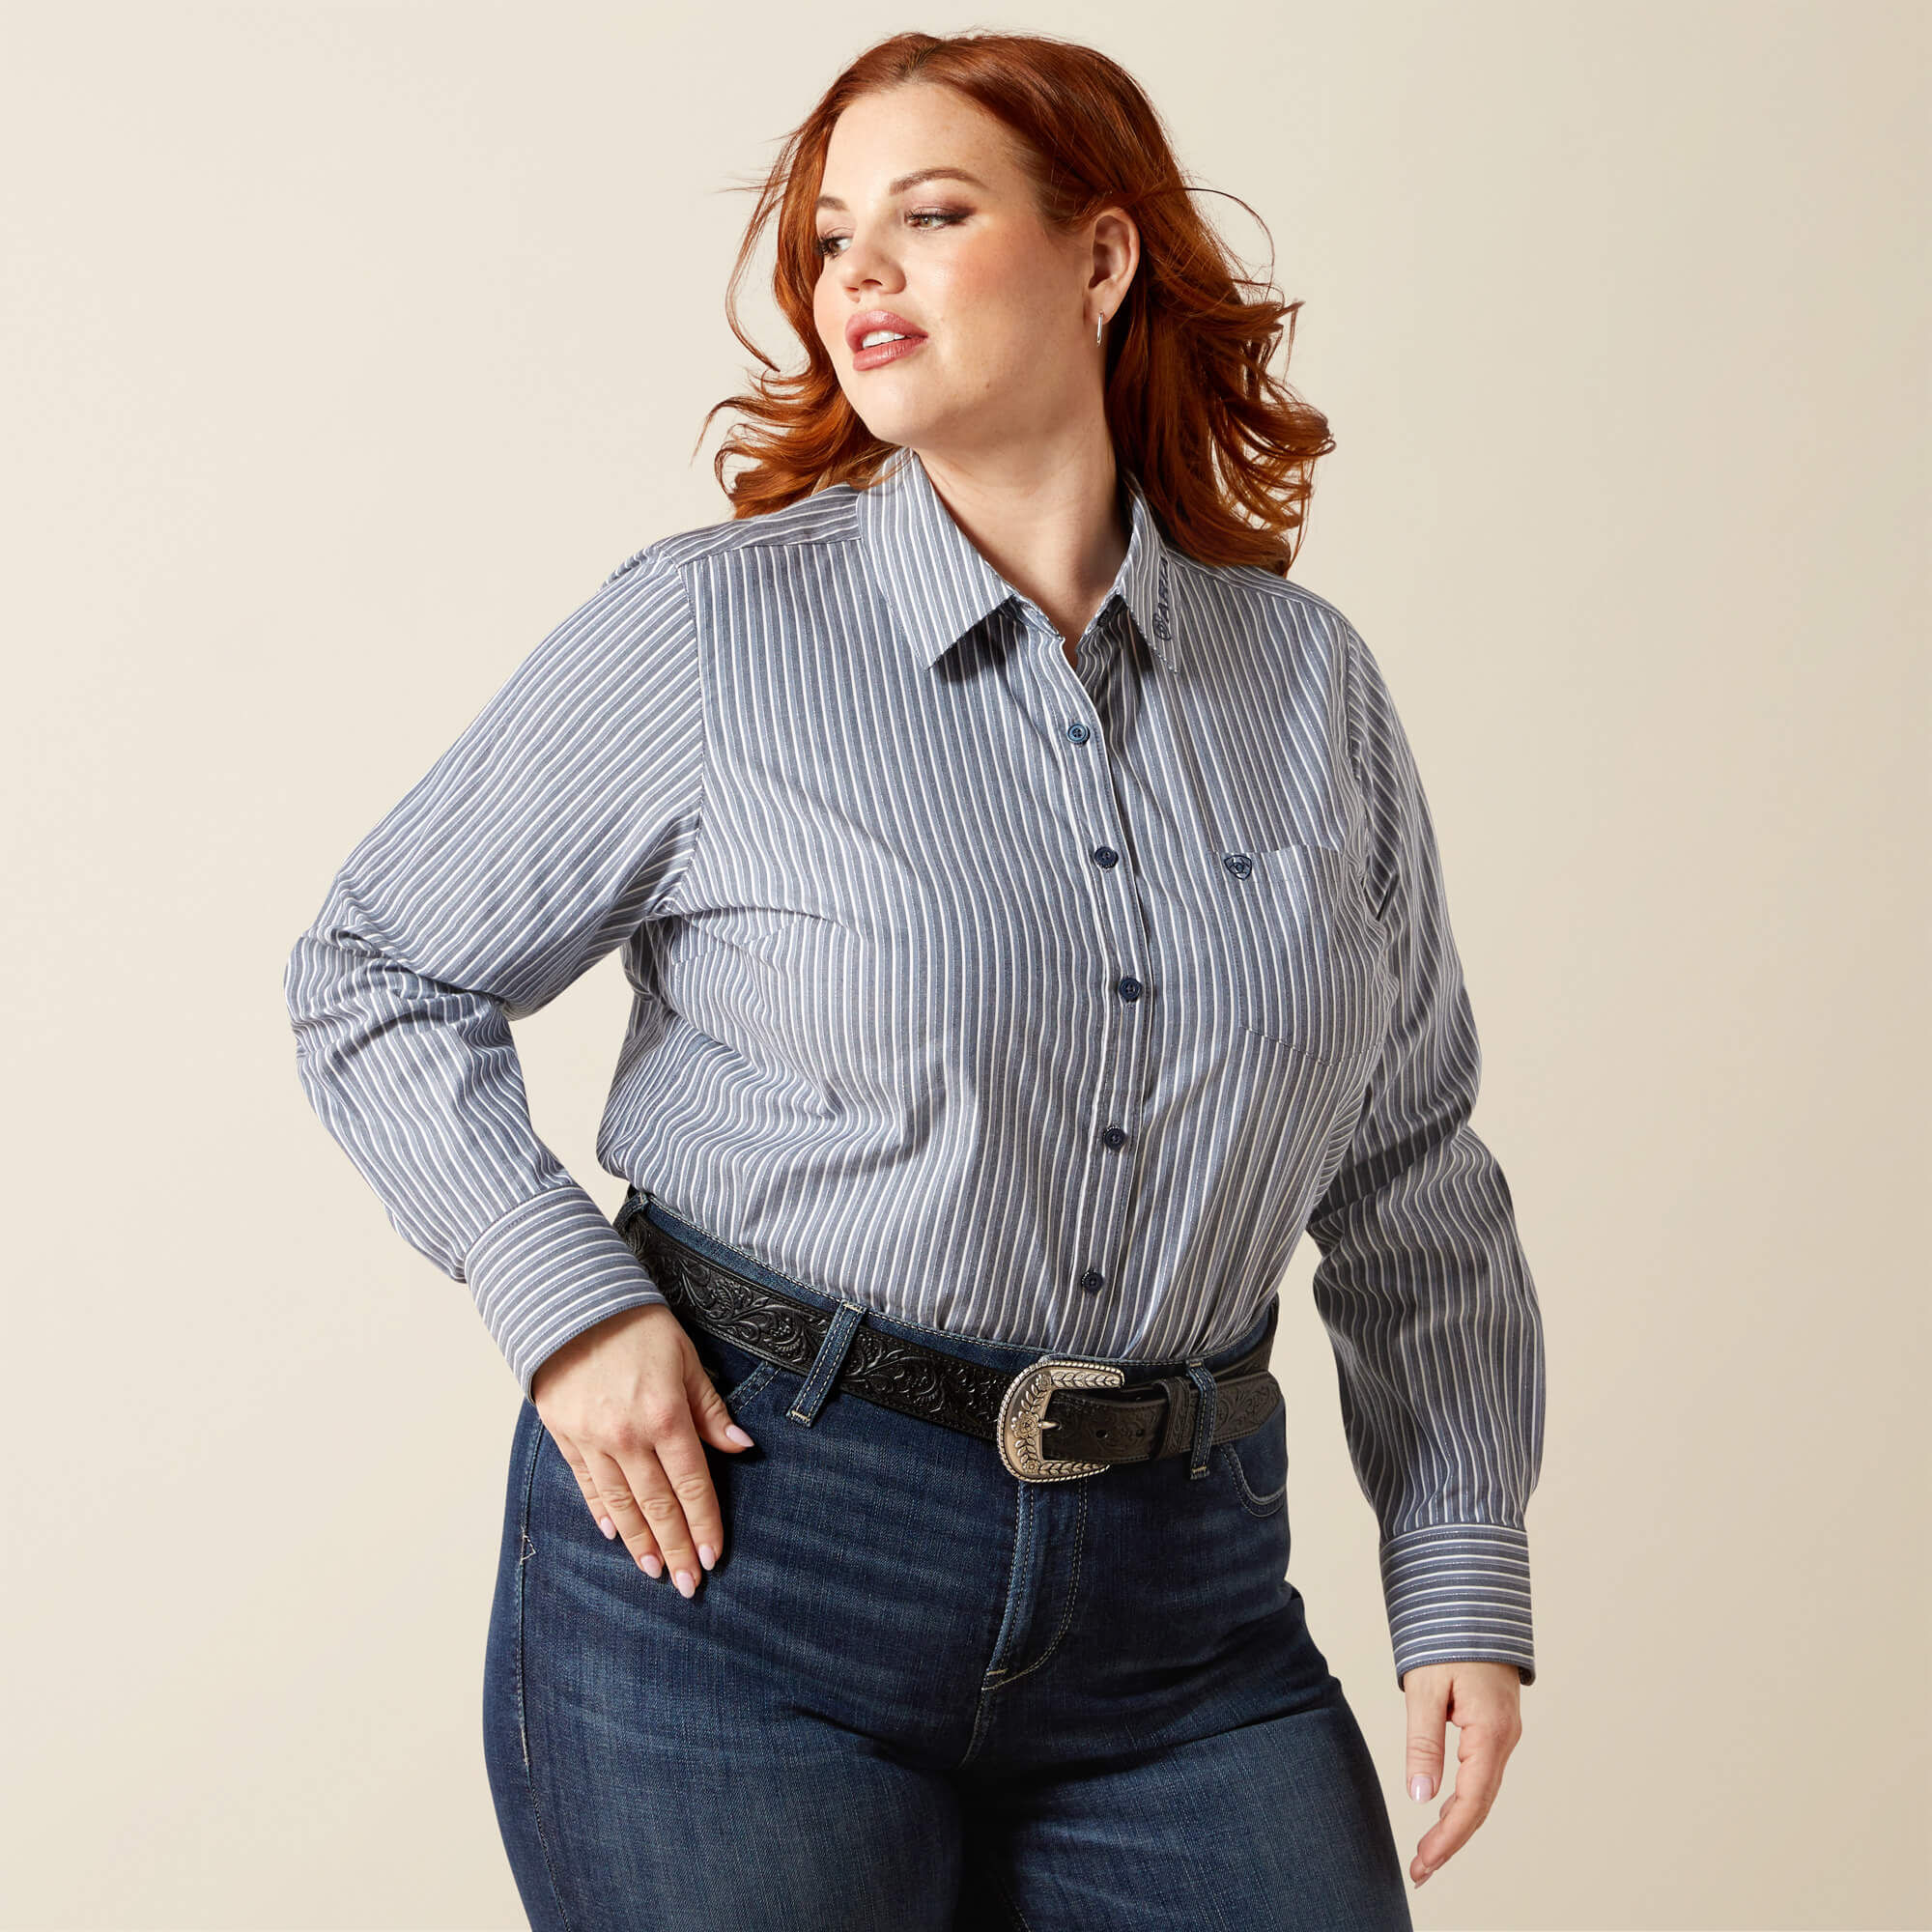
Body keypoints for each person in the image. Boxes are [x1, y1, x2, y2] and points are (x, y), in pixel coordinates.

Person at [284, 27, 1545, 1930]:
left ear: (1100, 257)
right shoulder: (710, 637)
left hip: (1187, 1606)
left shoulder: (1308, 689)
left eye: (930, 217)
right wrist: (564, 1305)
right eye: (826, 238)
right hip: (749, 1556)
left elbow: (1409, 1172)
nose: (855, 273)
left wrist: (1456, 1574)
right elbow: (373, 966)